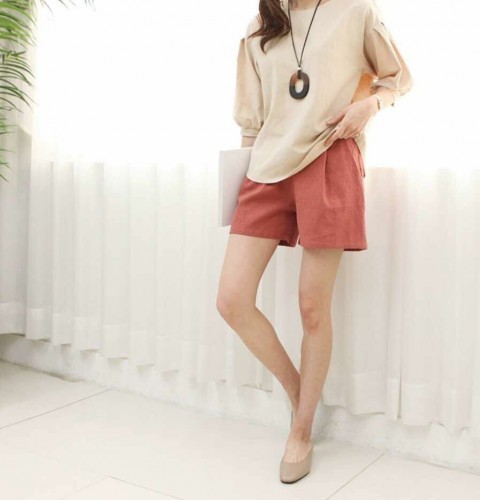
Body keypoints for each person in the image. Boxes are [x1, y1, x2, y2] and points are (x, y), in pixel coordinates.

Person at [216, 0, 413, 484]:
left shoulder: (354, 11)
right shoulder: (260, 27)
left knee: (312, 307)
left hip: (330, 159)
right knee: (232, 299)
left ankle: (301, 429)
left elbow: (398, 78)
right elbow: (251, 122)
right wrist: (238, 191)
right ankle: (298, 390)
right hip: (265, 168)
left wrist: (369, 106)